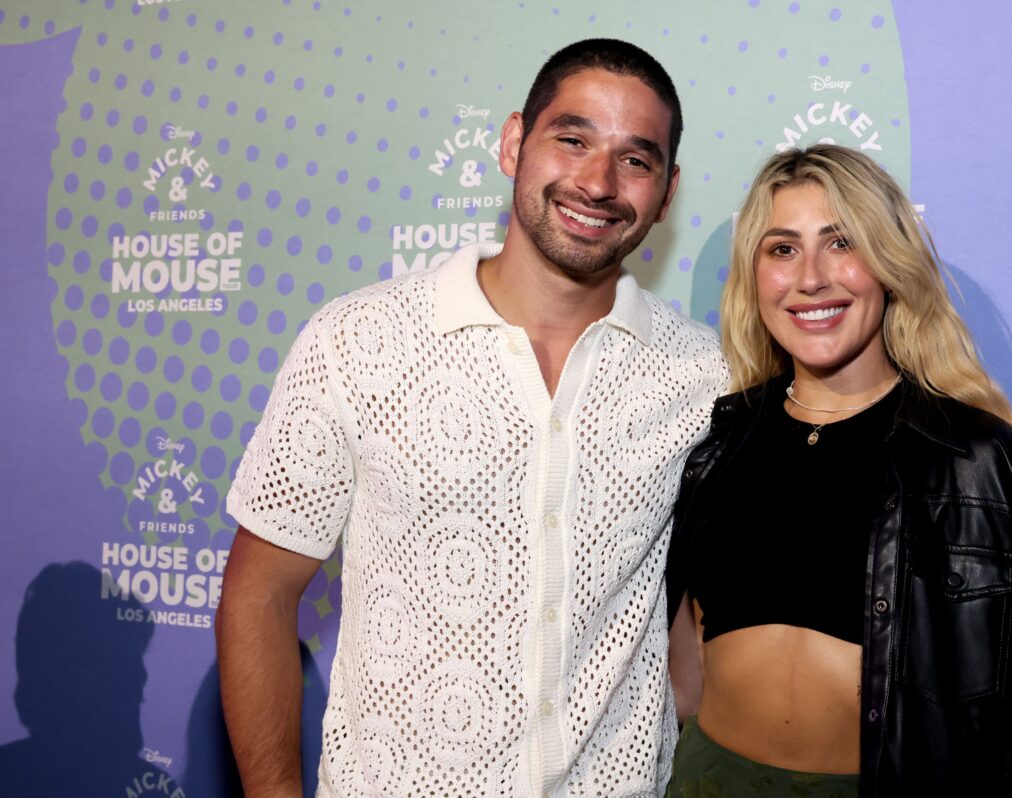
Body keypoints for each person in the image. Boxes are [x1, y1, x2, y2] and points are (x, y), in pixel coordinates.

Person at [217, 39, 727, 797]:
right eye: (573, 139)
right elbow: (258, 596)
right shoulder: (358, 341)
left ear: (667, 189)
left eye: (636, 159)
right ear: (514, 141)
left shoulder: (705, 375)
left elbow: (696, 616)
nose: (597, 181)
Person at [664, 144, 1012, 796]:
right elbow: (684, 659)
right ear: (754, 276)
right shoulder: (721, 440)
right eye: (782, 249)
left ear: (887, 265)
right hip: (708, 779)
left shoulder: (978, 461)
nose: (810, 277)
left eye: (840, 243)